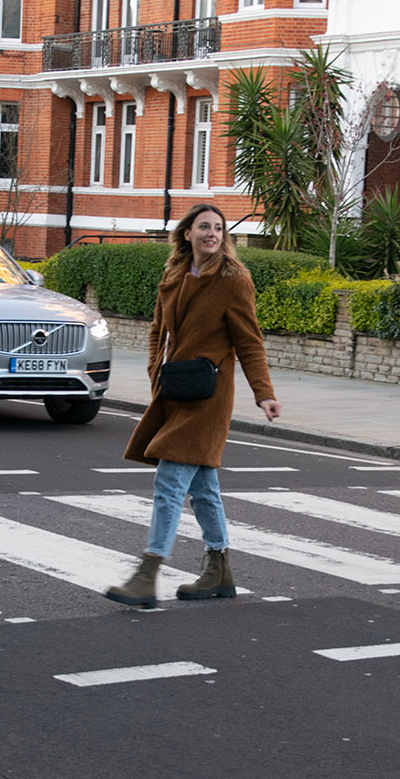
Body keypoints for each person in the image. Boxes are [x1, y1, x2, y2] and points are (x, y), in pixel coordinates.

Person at [104, 204, 281, 607]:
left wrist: (264, 392)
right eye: (204, 227)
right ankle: (219, 570)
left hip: (209, 395)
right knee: (203, 488)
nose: (212, 234)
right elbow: (156, 331)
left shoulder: (234, 280)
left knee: (169, 481)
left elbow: (249, 341)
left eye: (218, 228)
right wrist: (155, 372)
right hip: (174, 391)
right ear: (187, 233)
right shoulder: (174, 275)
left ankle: (148, 573)